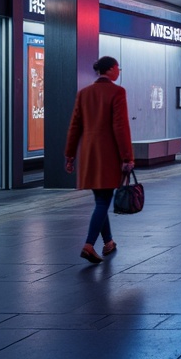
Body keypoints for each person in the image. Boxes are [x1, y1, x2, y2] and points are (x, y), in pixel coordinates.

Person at [64, 56, 134, 264]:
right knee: (103, 201)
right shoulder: (117, 92)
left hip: (89, 155)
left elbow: (74, 126)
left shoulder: (84, 93)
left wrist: (70, 156)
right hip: (109, 155)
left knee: (100, 200)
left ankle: (109, 241)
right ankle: (88, 245)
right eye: (118, 68)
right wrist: (127, 157)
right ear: (111, 70)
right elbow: (120, 127)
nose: (118, 72)